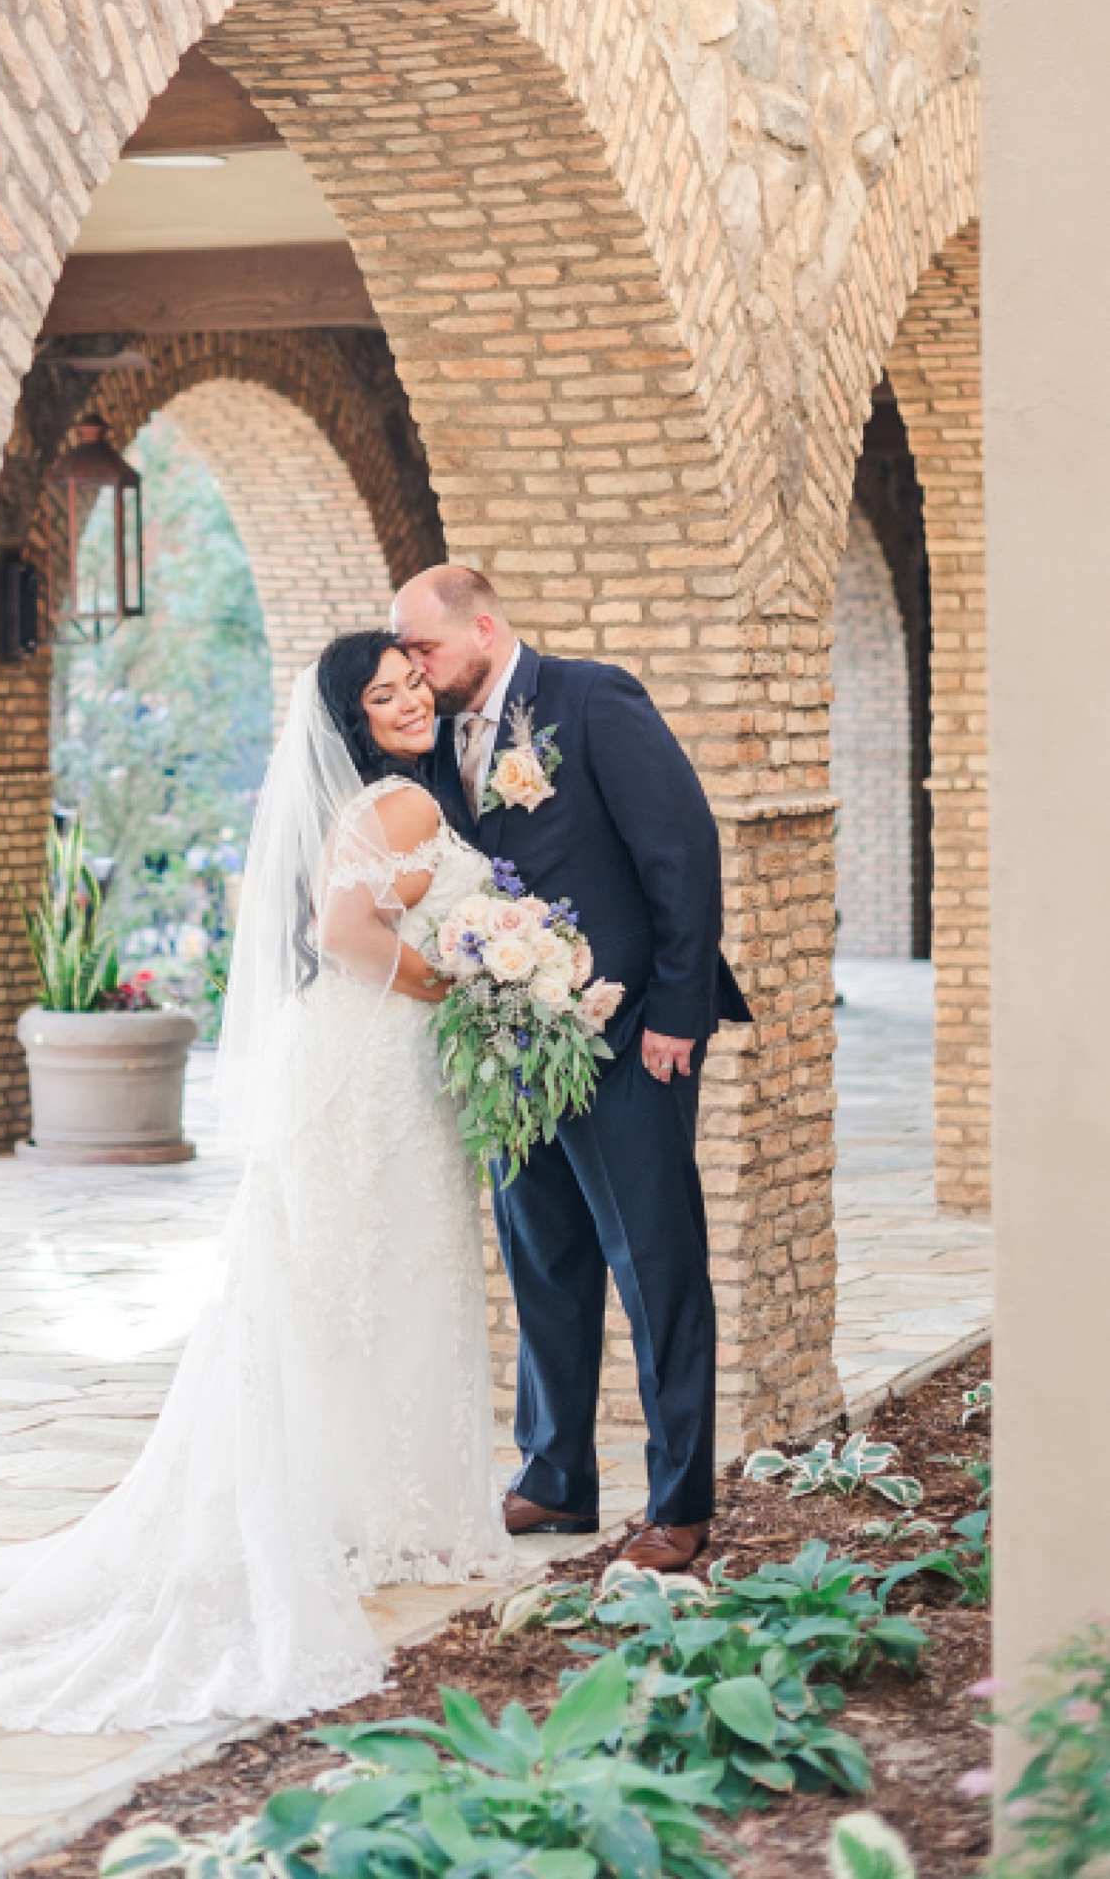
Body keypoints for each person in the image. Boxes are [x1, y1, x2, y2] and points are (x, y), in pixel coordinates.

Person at [0, 631, 510, 1734]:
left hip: (357, 1062)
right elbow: (346, 931)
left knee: (346, 1287)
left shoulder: (374, 800)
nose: (409, 701)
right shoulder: (396, 806)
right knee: (372, 1283)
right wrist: (457, 983)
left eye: (414, 684)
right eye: (384, 693)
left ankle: (366, 1511)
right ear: (353, 718)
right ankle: (380, 1516)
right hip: (372, 1066)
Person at [392, 563, 751, 1573]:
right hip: (508, 1039)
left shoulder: (590, 700)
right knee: (540, 1257)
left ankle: (678, 1501)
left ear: (483, 628)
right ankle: (553, 1477)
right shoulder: (429, 744)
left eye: (421, 648)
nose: (413, 671)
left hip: (627, 1036)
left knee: (654, 1265)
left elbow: (680, 850)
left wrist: (677, 1009)